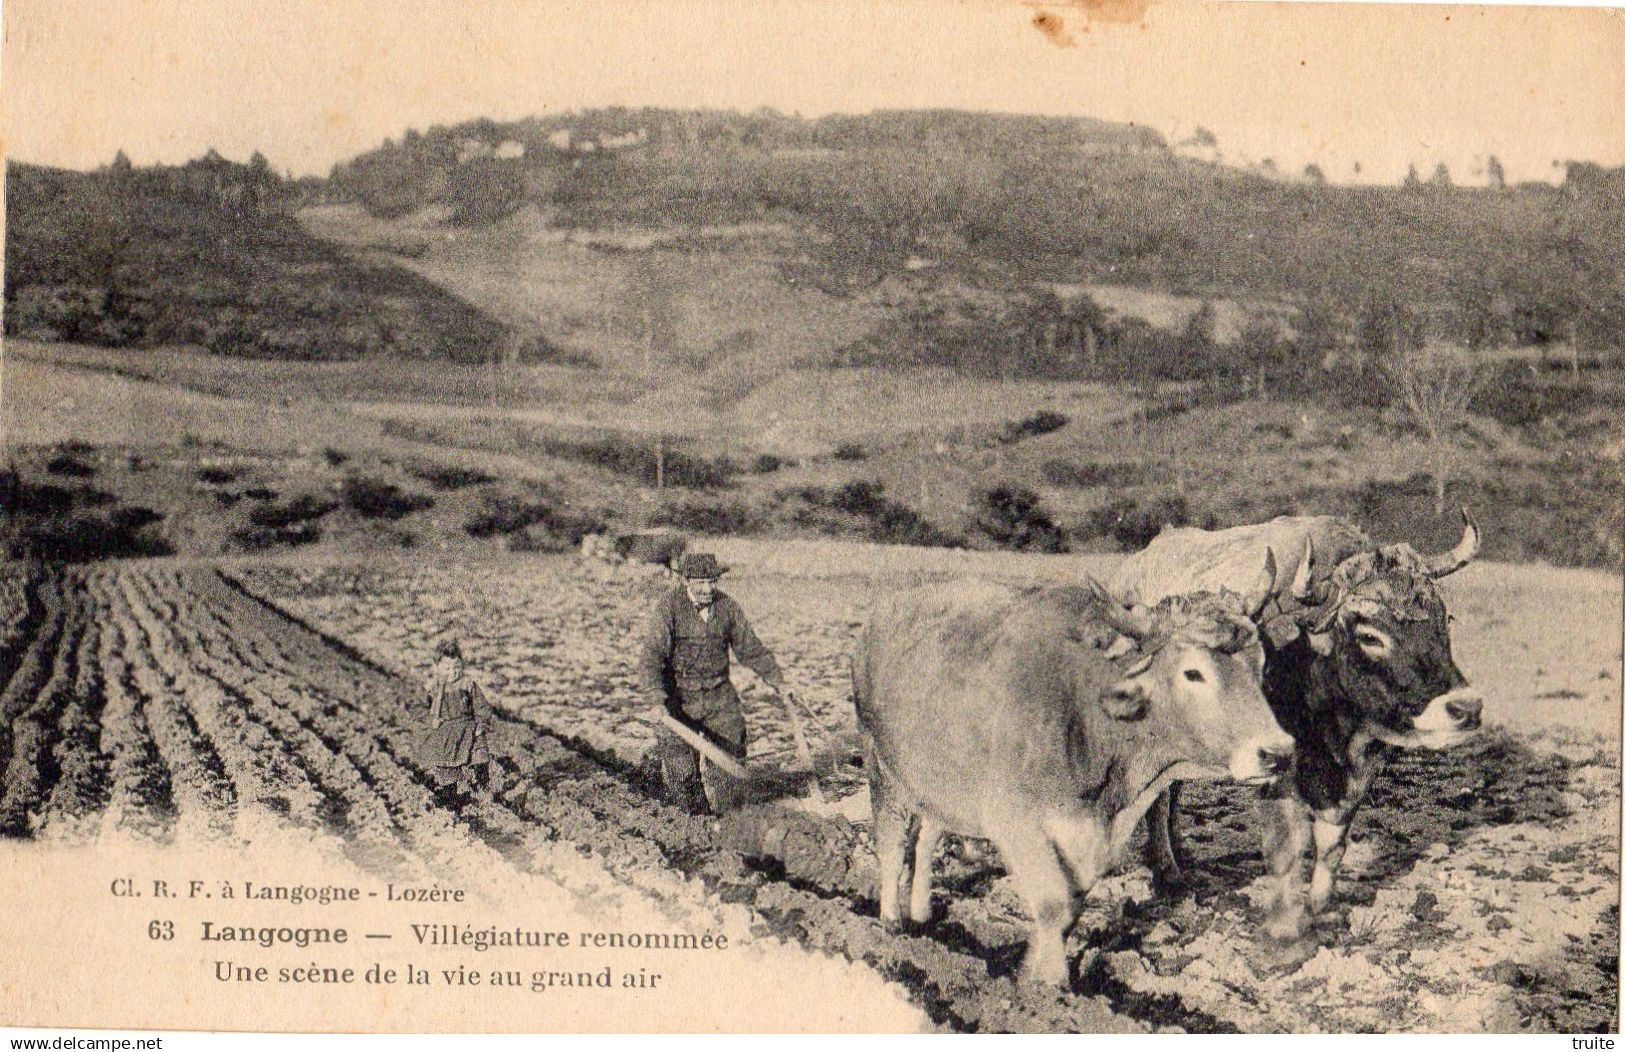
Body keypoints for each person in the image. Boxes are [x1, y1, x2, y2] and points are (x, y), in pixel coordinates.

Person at [635, 552, 786, 814]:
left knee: (731, 763)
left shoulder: (728, 607)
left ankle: (731, 821)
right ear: (685, 581)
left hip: (718, 696)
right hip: (677, 700)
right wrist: (655, 700)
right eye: (700, 583)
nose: (707, 589)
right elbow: (652, 657)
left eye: (712, 582)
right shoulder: (668, 608)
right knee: (682, 775)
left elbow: (751, 649)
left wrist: (779, 682)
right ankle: (696, 824)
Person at [417, 639, 492, 808]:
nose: (453, 672)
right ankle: (451, 797)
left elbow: (481, 707)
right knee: (446, 766)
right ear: (436, 667)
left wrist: (481, 725)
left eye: (457, 667)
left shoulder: (468, 684)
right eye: (447, 668)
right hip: (445, 732)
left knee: (480, 753)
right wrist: (430, 720)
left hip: (468, 728)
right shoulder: (432, 688)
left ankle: (484, 789)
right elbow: (418, 709)